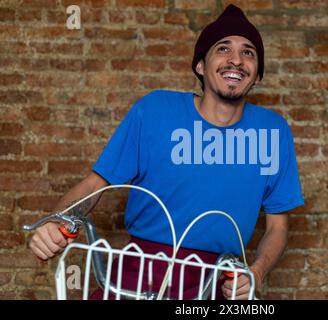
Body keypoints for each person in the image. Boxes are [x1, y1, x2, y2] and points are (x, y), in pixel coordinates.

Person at [29, 4, 304, 300]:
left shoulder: (273, 131)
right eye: (223, 49)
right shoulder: (155, 110)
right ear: (200, 65)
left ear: (257, 74)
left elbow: (277, 226)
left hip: (218, 281)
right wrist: (57, 220)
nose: (236, 60)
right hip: (141, 271)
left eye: (249, 52)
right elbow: (95, 185)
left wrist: (256, 272)